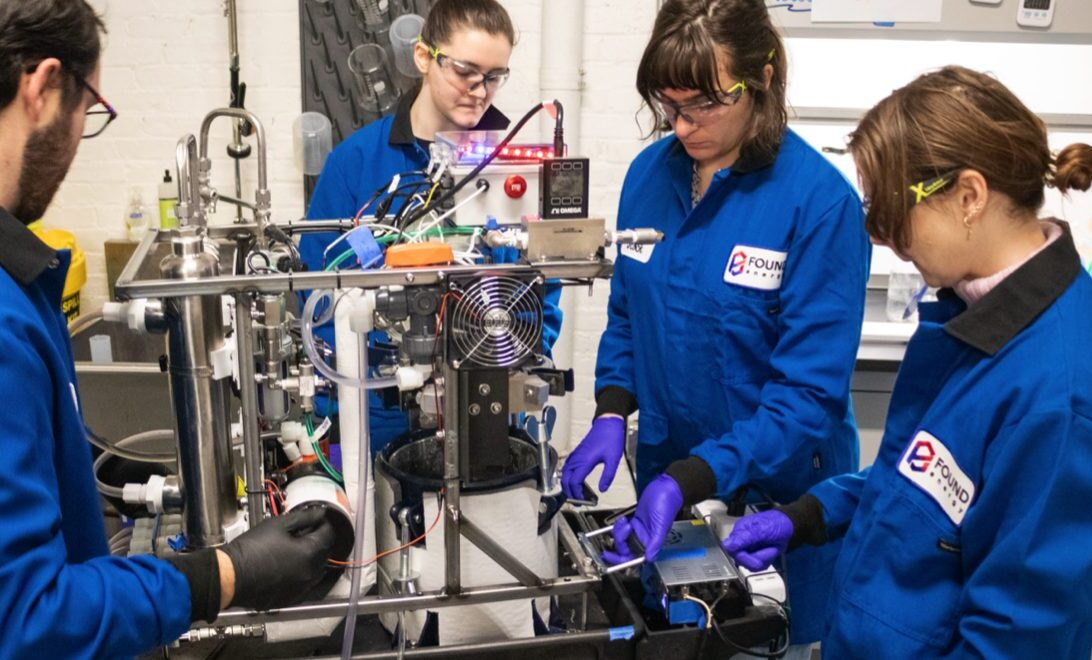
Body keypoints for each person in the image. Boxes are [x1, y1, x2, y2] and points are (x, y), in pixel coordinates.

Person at [0, 2, 335, 656]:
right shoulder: (6, 319)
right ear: (41, 87)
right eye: (88, 110)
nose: (77, 139)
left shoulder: (22, 281)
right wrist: (224, 577)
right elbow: (25, 619)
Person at [724, 66, 1092, 658]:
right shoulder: (970, 314)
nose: (880, 236)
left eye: (891, 211)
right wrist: (809, 515)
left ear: (968, 196)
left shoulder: (1058, 396)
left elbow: (1013, 640)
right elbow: (929, 482)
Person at [561, 0, 869, 654]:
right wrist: (612, 411)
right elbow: (629, 309)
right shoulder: (650, 175)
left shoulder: (818, 205)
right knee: (678, 638)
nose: (682, 125)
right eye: (668, 104)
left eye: (703, 104)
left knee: (758, 641)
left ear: (762, 77)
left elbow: (807, 398)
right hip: (671, 484)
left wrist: (695, 476)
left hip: (773, 502)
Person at [302, 0, 563, 455]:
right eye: (466, 71)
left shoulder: (515, 168)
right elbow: (318, 293)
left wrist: (505, 354)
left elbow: (545, 288)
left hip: (487, 406)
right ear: (424, 57)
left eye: (495, 76)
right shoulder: (356, 163)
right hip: (377, 409)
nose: (481, 90)